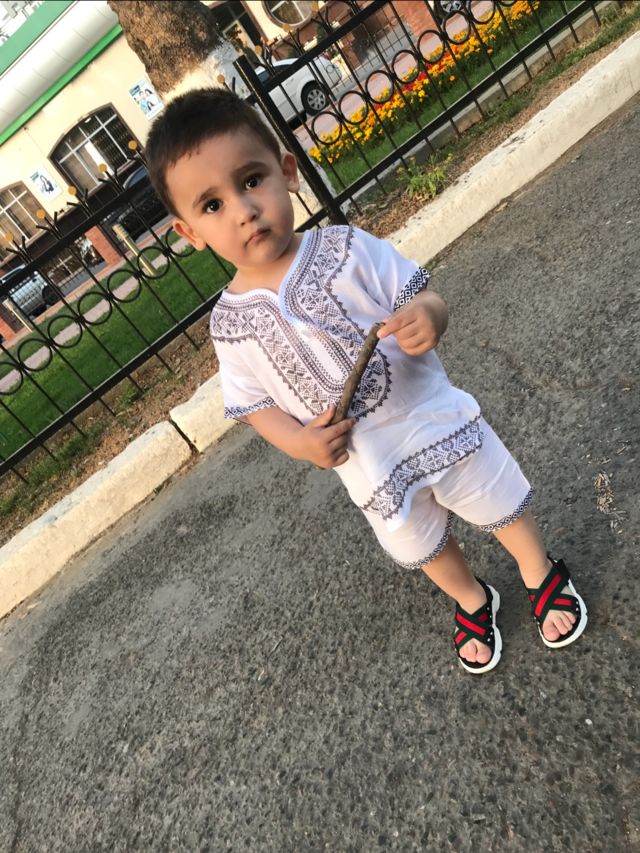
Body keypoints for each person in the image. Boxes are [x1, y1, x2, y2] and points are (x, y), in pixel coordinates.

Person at [145, 89, 588, 674]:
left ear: (287, 172)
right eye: (212, 205)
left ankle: (538, 570)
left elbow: (423, 294)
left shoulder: (347, 249)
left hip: (433, 420)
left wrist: (428, 316)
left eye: (251, 180)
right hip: (371, 466)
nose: (243, 210)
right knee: (421, 541)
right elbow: (252, 404)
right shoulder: (229, 326)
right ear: (190, 232)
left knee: (495, 498)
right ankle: (471, 598)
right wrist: (300, 442)